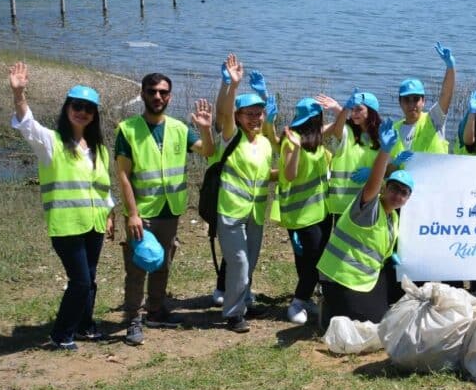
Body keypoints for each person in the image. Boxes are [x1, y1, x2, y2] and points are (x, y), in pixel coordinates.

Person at [8, 63, 116, 350]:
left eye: (89, 109)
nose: (82, 112)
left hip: (94, 223)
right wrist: (19, 94)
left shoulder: (99, 150)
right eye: (77, 106)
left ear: (95, 115)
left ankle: (84, 326)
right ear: (67, 108)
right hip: (66, 225)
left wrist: (108, 215)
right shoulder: (51, 143)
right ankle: (60, 335)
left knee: (90, 279)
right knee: (80, 281)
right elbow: (28, 125)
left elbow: (103, 188)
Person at [115, 70, 215, 346]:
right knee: (138, 265)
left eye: (163, 92)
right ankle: (133, 319)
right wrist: (132, 214)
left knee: (163, 262)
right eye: (152, 91)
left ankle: (156, 310)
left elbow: (208, 152)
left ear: (169, 96)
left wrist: (206, 129)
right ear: (142, 94)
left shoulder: (180, 128)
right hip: (142, 212)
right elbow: (123, 175)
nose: (157, 97)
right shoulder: (128, 129)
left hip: (170, 210)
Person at [317, 118, 408, 329]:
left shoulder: (392, 219)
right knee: (371, 322)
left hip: (362, 276)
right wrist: (384, 153)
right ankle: (327, 308)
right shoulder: (369, 206)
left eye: (404, 193)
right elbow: (373, 184)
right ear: (385, 188)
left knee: (386, 311)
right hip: (338, 276)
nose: (398, 195)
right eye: (394, 188)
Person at [212, 54, 275, 333]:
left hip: (256, 212)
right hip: (231, 210)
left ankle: (244, 299)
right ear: (239, 117)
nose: (255, 118)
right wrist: (232, 86)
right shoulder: (232, 136)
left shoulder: (264, 143)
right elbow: (223, 114)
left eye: (259, 113)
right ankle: (234, 313)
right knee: (238, 261)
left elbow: (266, 174)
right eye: (249, 114)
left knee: (250, 260)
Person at [278, 93, 333, 326]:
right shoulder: (293, 141)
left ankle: (306, 297)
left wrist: (340, 109)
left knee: (310, 260)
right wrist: (297, 149)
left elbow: (336, 128)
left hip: (320, 211)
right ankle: (298, 301)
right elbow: (289, 175)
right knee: (313, 261)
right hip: (300, 215)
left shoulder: (316, 138)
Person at [390, 42, 455, 165]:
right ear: (400, 102)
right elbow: (387, 171)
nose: (411, 104)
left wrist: (450, 68)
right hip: (404, 184)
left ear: (423, 101)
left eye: (415, 99)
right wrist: (395, 163)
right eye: (407, 99)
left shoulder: (434, 119)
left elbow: (446, 95)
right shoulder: (394, 131)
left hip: (435, 181)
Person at [322, 90, 382, 221]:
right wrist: (344, 109)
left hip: (368, 202)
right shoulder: (347, 132)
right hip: (342, 203)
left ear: (371, 112)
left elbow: (387, 166)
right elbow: (338, 129)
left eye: (359, 109)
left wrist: (373, 172)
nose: (354, 113)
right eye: (352, 110)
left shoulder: (382, 137)